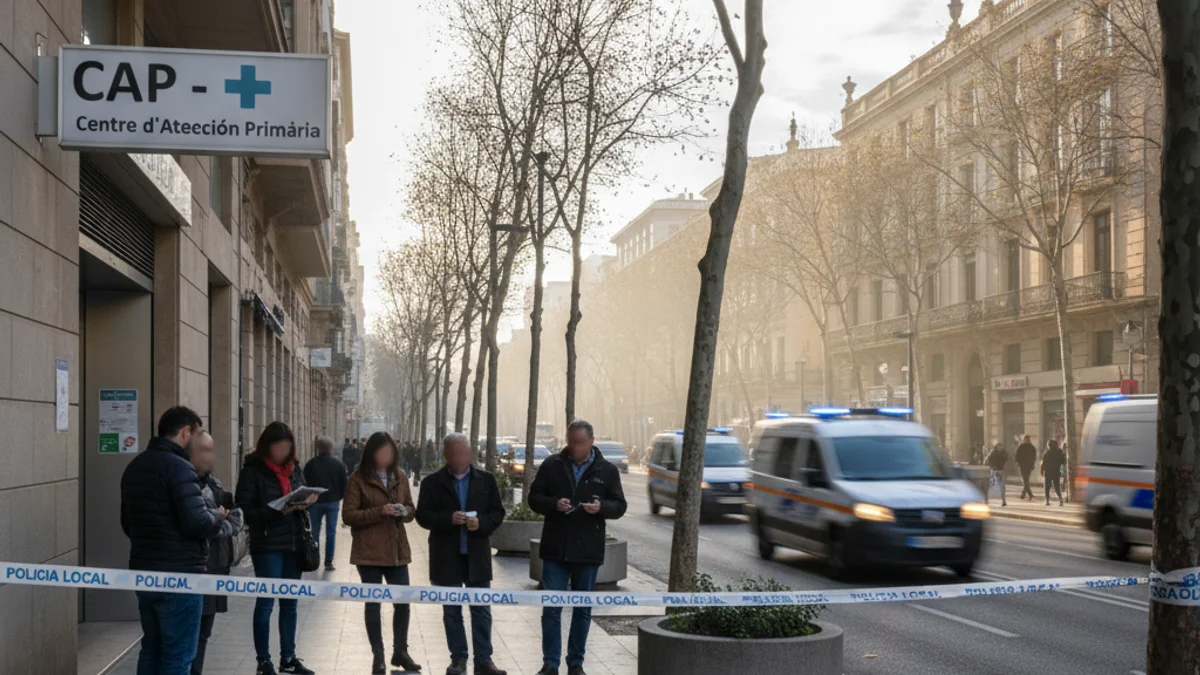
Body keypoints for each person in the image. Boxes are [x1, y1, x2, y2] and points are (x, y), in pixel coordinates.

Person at [120, 406, 226, 675]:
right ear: (185, 432)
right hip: (180, 576)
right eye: (197, 432)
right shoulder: (181, 469)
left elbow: (127, 524)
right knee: (178, 656)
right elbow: (198, 522)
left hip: (144, 572)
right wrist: (217, 515)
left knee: (152, 649)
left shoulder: (135, 466)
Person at [528, 420, 628, 675]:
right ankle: (550, 664)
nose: (574, 447)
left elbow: (619, 505)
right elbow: (534, 499)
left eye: (580, 442)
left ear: (592, 441)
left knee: (582, 609)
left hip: (588, 550)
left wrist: (601, 508)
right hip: (556, 548)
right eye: (571, 442)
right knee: (552, 608)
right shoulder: (552, 465)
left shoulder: (606, 470)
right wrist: (553, 504)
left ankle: (576, 663)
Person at [416, 433, 507, 675]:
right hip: (447, 556)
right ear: (445, 454)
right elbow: (422, 516)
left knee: (481, 609)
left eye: (466, 453)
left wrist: (482, 524)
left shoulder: (486, 480)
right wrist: (448, 519)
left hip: (476, 554)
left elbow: (497, 513)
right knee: (451, 610)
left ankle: (484, 659)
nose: (462, 458)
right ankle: (458, 658)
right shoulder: (432, 483)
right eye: (456, 454)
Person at [236, 422, 319, 675]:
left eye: (287, 448)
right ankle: (264, 661)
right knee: (266, 603)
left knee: (290, 603)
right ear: (267, 446)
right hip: (268, 545)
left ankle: (289, 657)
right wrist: (278, 510)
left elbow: (302, 496)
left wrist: (307, 502)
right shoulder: (253, 471)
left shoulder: (295, 469)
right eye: (278, 447)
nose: (283, 452)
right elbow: (245, 512)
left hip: (294, 543)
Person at [343, 432, 423, 674]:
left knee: (403, 602)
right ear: (372, 453)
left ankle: (401, 651)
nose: (386, 456)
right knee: (373, 604)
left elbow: (411, 508)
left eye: (390, 452)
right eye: (382, 452)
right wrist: (381, 511)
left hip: (397, 550)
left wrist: (403, 511)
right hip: (369, 552)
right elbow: (349, 516)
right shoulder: (358, 479)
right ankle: (378, 653)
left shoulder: (399, 476)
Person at [189, 431, 244, 675]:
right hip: (194, 567)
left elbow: (233, 517)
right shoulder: (186, 484)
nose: (210, 457)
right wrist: (220, 519)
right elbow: (201, 524)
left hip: (215, 566)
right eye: (204, 451)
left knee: (203, 633)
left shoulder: (214, 483)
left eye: (211, 450)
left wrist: (226, 518)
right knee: (186, 636)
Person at [304, 436, 348, 571]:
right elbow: (344, 484)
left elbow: (305, 482)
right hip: (332, 502)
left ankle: (314, 558)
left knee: (315, 532)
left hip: (315, 502)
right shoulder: (339, 464)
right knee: (331, 532)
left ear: (318, 448)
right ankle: (328, 561)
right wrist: (338, 497)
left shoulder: (310, 464)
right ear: (331, 448)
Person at [1042, 439, 1067, 506]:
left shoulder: (1047, 453)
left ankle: (1047, 500)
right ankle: (1060, 499)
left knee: (1047, 487)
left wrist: (1042, 471)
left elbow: (1043, 463)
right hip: (1056, 472)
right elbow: (1063, 461)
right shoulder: (1059, 452)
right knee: (1057, 486)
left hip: (1048, 472)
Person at [985, 440, 1009, 508]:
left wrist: (992, 466)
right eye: (999, 446)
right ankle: (1002, 501)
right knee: (996, 487)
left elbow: (987, 460)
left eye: (1000, 446)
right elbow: (987, 460)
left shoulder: (996, 452)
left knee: (999, 487)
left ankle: (1003, 501)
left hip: (998, 471)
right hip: (996, 471)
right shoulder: (997, 452)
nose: (1000, 448)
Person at [1014, 435, 1037, 501]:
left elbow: (1034, 457)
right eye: (1026, 439)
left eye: (1028, 439)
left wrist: (1032, 464)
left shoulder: (1032, 447)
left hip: (1029, 466)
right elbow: (1017, 456)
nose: (1027, 440)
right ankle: (1028, 494)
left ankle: (1024, 494)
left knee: (1025, 480)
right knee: (1025, 480)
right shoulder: (1021, 447)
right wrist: (1018, 463)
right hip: (1022, 466)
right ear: (1024, 439)